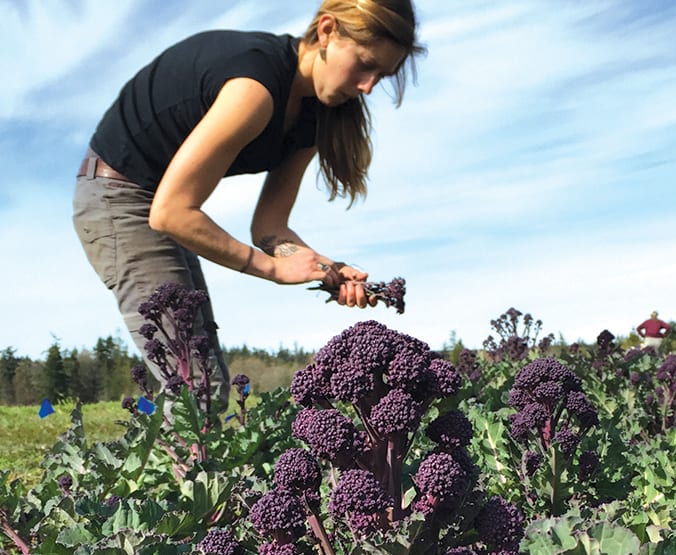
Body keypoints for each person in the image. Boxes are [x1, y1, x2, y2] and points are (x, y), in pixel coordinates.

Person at [73, 0, 425, 407]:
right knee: (196, 386)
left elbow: (270, 228)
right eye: (365, 64)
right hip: (118, 195)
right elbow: (171, 213)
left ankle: (199, 471)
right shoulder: (254, 88)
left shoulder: (311, 116)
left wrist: (328, 270)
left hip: (155, 201)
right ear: (327, 30)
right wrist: (272, 269)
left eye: (381, 76)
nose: (367, 87)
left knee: (203, 380)